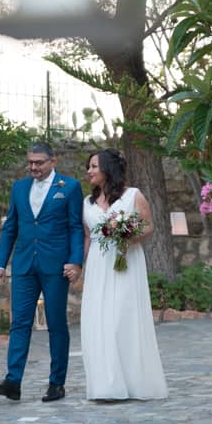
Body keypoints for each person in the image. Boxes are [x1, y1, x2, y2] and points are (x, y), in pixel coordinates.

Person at [0, 141, 84, 402]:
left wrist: (76, 262)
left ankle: (56, 383)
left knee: (56, 324)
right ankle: (13, 381)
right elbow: (10, 229)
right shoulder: (19, 188)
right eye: (30, 162)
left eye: (39, 162)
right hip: (24, 265)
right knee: (19, 323)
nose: (33, 167)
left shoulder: (70, 187)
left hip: (55, 265)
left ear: (53, 162)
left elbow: (75, 227)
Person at [81, 148, 168, 400]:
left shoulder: (133, 196)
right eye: (89, 167)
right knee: (99, 323)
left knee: (123, 318)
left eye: (94, 166)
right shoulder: (86, 203)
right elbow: (87, 237)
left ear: (107, 168)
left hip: (126, 261)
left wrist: (127, 235)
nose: (89, 171)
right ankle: (106, 386)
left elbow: (149, 226)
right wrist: (79, 266)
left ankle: (134, 382)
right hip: (99, 264)